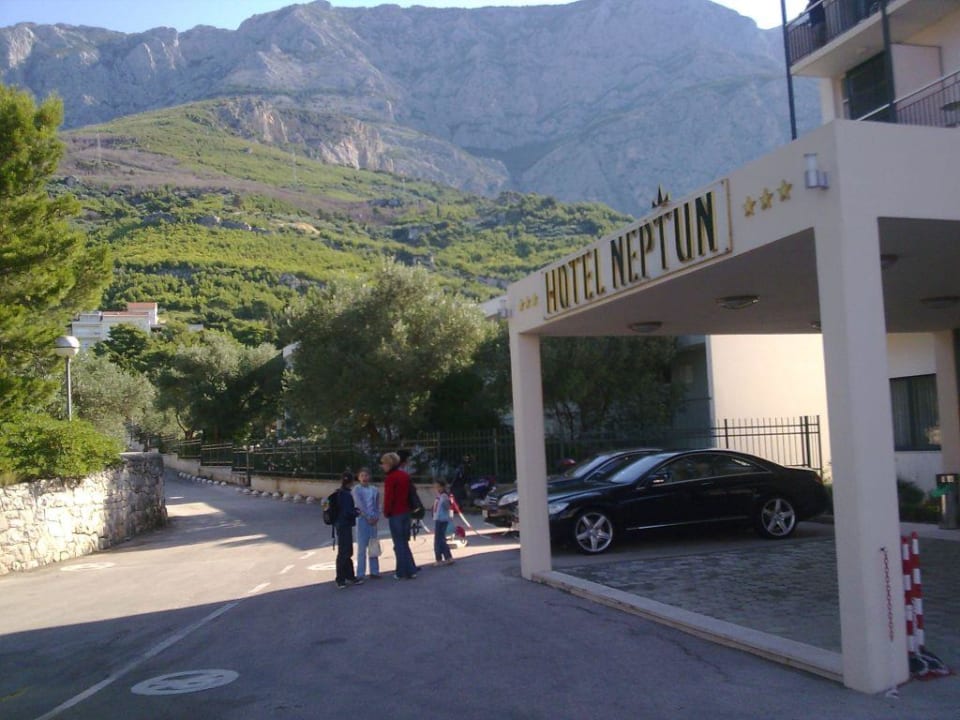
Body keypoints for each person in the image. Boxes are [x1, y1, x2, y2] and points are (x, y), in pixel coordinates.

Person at [381, 452, 418, 579]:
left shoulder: (390, 478)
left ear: (389, 464)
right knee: (404, 542)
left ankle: (401, 571)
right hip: (406, 512)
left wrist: (386, 512)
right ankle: (411, 569)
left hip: (395, 513)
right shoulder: (404, 475)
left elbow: (389, 497)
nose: (382, 466)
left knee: (399, 543)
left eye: (384, 463)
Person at [334, 470, 363, 589]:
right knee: (345, 552)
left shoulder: (339, 492)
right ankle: (341, 578)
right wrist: (357, 512)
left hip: (340, 524)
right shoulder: (346, 494)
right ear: (351, 482)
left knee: (345, 551)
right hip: (344, 525)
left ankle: (348, 576)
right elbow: (348, 512)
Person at [352, 466, 381, 580]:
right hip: (362, 519)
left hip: (373, 519)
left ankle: (374, 571)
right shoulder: (356, 489)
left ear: (369, 477)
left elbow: (377, 504)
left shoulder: (374, 489)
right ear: (359, 477)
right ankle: (360, 573)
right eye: (362, 476)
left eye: (366, 475)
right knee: (362, 547)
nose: (364, 478)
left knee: (373, 545)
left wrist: (376, 516)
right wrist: (367, 517)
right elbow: (359, 505)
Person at [432, 479, 455, 566]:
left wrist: (450, 516)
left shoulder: (444, 496)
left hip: (442, 520)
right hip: (439, 519)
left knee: (438, 540)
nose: (437, 489)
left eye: (439, 487)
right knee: (440, 539)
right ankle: (447, 557)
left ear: (443, 487)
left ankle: (440, 559)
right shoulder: (439, 496)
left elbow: (447, 507)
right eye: (436, 487)